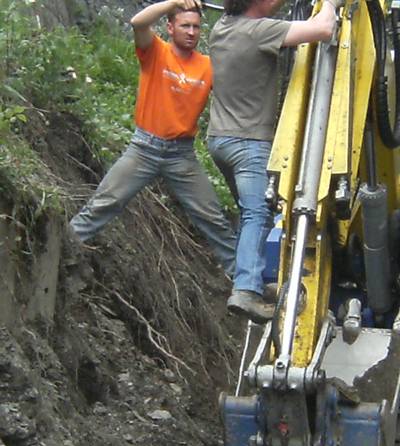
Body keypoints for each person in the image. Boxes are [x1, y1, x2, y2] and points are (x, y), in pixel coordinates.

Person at [69, 0, 237, 278]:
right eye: (185, 25)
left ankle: (243, 281)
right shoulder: (155, 51)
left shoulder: (208, 66)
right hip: (144, 148)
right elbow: (138, 22)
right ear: (170, 27)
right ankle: (68, 249)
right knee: (104, 202)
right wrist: (174, 1)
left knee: (214, 218)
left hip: (181, 156)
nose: (192, 32)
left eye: (196, 27)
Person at [207, 0, 339, 323]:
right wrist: (332, 3)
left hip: (218, 140)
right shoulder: (260, 31)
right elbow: (323, 29)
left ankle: (250, 277)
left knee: (248, 210)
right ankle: (246, 289)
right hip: (248, 143)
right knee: (258, 212)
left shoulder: (221, 28)